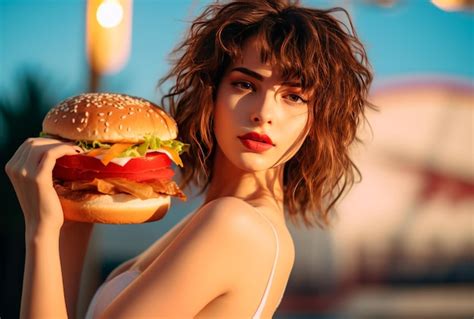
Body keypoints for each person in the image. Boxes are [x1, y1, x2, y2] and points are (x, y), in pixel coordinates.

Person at [5, 0, 373, 318]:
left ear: (317, 119)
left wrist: (40, 230)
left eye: (294, 96)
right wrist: (70, 219)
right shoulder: (215, 217)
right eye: (245, 84)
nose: (264, 112)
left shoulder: (235, 224)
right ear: (210, 93)